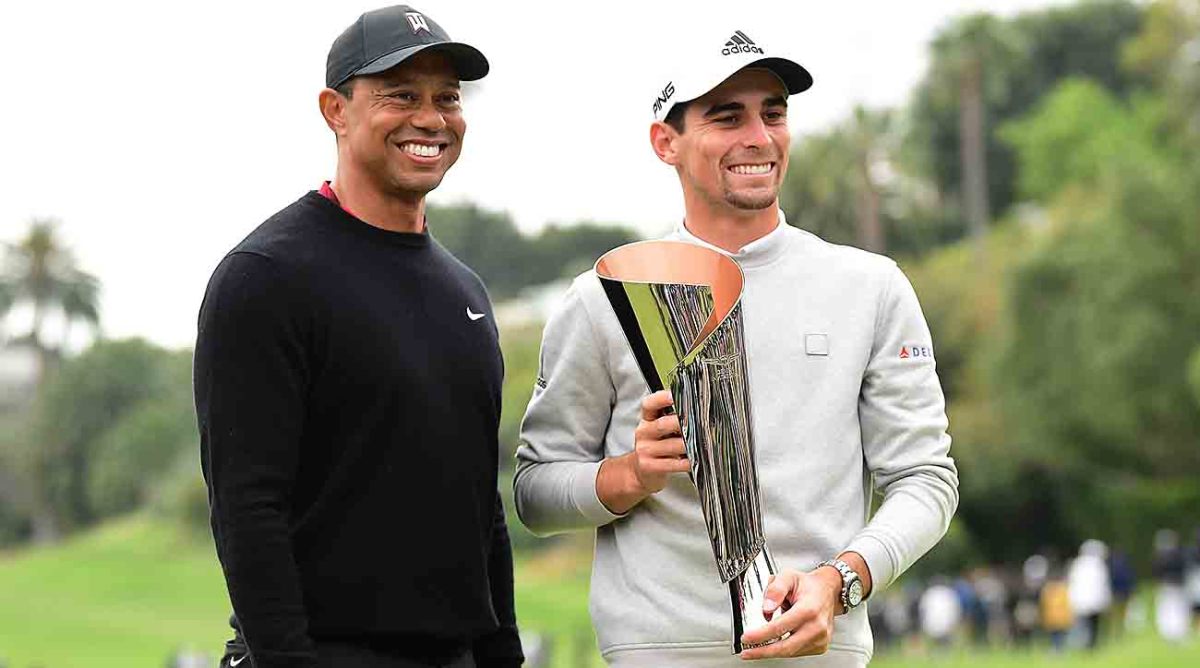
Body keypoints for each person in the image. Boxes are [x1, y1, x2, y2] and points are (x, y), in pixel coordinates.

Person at [513, 26, 958, 667]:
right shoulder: (603, 296)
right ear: (665, 142)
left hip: (820, 654)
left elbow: (925, 479)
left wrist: (839, 583)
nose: (759, 136)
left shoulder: (871, 287)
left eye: (773, 113)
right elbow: (535, 490)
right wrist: (630, 475)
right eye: (727, 117)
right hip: (655, 655)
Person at [193, 6, 522, 667]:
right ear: (335, 110)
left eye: (447, 98)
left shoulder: (466, 293)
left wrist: (503, 657)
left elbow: (475, 506)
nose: (431, 118)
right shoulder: (267, 277)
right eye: (401, 95)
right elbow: (247, 509)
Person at [1067, 539, 1112, 650]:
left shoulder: (1078, 564)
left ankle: (1086, 644)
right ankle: (1090, 644)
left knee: (1084, 625)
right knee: (1093, 625)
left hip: (1081, 601)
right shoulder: (1098, 565)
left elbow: (1072, 583)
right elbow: (1103, 585)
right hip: (1094, 602)